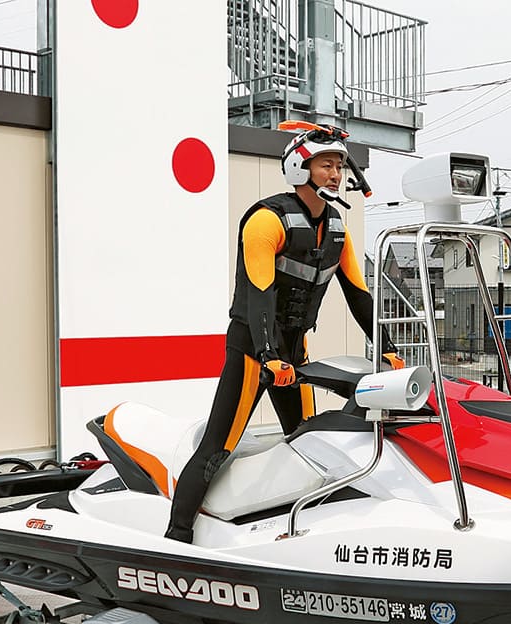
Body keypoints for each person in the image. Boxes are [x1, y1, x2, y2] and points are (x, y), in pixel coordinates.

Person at [165, 125, 403, 544]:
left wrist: (389, 349)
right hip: (252, 348)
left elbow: (359, 295)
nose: (335, 173)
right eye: (326, 164)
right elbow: (257, 293)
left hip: (293, 348)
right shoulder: (265, 220)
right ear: (299, 167)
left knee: (309, 440)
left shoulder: (336, 228)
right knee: (217, 449)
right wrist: (269, 355)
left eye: (340, 165)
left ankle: (297, 533)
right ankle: (175, 538)